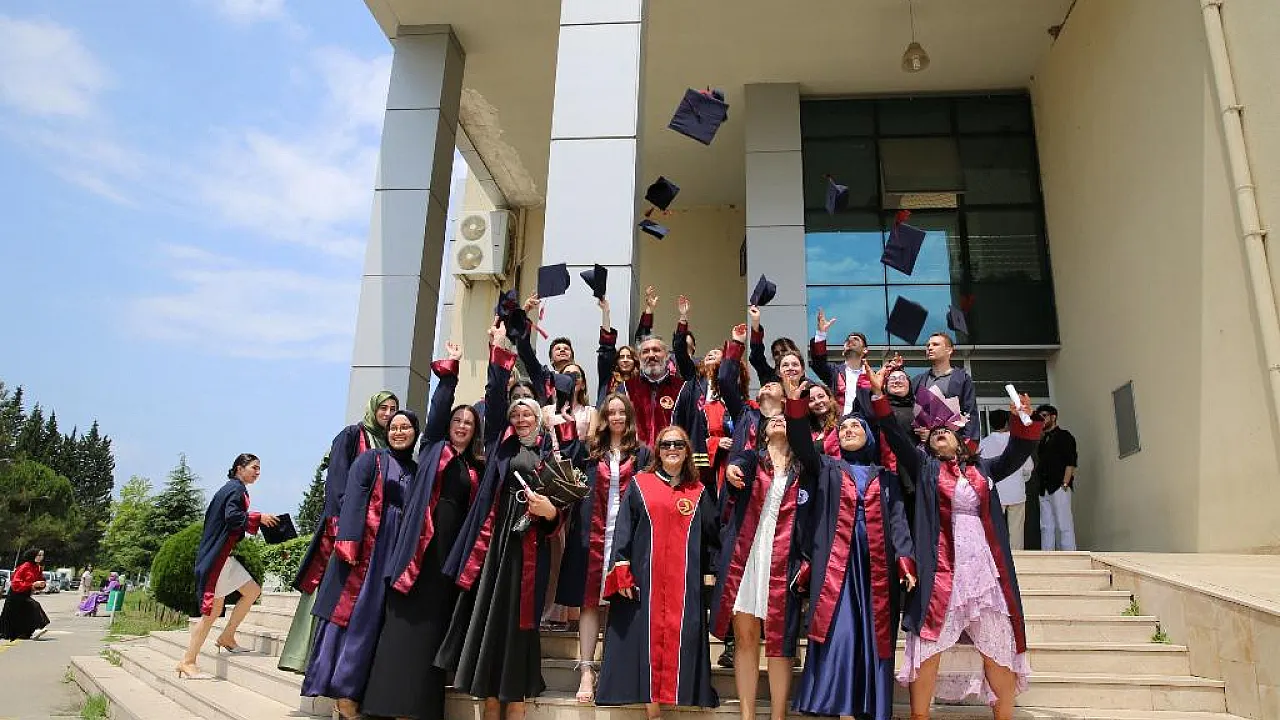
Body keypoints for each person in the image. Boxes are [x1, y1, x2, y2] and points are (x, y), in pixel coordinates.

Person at [872, 358, 1040, 719]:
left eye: (945, 430)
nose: (939, 434)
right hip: (942, 572)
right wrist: (878, 395)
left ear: (960, 439)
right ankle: (919, 715)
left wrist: (1021, 421)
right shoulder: (925, 468)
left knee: (997, 645)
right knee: (929, 646)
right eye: (933, 433)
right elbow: (896, 436)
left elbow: (1016, 453)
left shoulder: (983, 468)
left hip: (983, 573)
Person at [437, 322, 584, 720]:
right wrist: (500, 349)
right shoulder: (499, 445)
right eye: (515, 413)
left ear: (539, 418)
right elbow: (494, 391)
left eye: (527, 413)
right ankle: (489, 697)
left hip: (532, 548)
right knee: (491, 617)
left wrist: (549, 513)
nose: (521, 418)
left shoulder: (552, 454)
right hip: (498, 544)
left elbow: (561, 507)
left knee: (523, 622)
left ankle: (514, 697)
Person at [362, 344, 483, 720]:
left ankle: (420, 708)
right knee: (401, 630)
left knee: (431, 634)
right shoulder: (433, 448)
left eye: (469, 423)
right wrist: (451, 371)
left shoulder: (474, 467)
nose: (461, 426)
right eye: (457, 420)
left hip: (448, 557)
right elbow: (439, 407)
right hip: (418, 550)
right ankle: (387, 705)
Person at [787, 381, 916, 720]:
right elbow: (800, 444)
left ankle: (866, 707)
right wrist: (795, 404)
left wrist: (905, 560)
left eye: (855, 426)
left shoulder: (885, 478)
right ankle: (833, 704)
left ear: (869, 437)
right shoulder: (826, 468)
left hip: (877, 568)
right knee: (839, 632)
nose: (847, 431)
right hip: (836, 564)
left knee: (874, 635)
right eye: (843, 428)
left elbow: (898, 521)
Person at [302, 409, 420, 717]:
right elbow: (353, 499)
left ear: (415, 433)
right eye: (394, 427)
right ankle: (344, 693)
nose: (399, 432)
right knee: (357, 617)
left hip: (396, 551)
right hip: (367, 552)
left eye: (405, 427)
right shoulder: (372, 459)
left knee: (379, 622)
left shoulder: (416, 469)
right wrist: (348, 540)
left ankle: (363, 693)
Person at [596, 425, 720, 715]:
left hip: (684, 586)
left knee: (682, 638)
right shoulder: (641, 484)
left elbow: (713, 537)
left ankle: (680, 694)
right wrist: (621, 568)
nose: (672, 449)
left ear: (687, 451)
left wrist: (711, 572)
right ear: (658, 452)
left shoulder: (699, 492)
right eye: (666, 445)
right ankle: (653, 712)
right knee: (645, 639)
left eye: (678, 444)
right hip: (646, 581)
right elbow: (623, 530)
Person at [715, 377, 816, 720]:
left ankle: (777, 716)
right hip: (748, 556)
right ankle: (747, 716)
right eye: (773, 419)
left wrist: (794, 403)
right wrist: (731, 469)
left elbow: (807, 447)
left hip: (785, 559)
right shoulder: (751, 458)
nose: (778, 421)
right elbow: (737, 465)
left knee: (779, 643)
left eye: (785, 418)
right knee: (745, 637)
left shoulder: (806, 467)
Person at [280, 389, 399, 674]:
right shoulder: (352, 435)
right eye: (383, 408)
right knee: (328, 590)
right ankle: (306, 657)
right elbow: (336, 481)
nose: (387, 414)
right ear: (373, 409)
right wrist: (340, 525)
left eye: (392, 409)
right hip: (343, 528)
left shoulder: (391, 443)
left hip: (373, 533)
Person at [558, 392, 652, 703]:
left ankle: (612, 669)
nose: (616, 417)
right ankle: (586, 669)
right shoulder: (590, 451)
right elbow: (567, 469)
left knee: (619, 602)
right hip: (592, 533)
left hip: (627, 539)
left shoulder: (642, 454)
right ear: (603, 418)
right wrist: (565, 423)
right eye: (611, 412)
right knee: (589, 602)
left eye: (621, 412)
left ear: (629, 416)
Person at [180, 454, 279, 679]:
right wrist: (259, 518)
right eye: (254, 468)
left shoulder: (234, 489)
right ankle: (188, 661)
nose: (258, 473)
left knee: (252, 591)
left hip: (224, 558)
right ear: (239, 469)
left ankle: (227, 636)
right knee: (212, 613)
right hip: (217, 560)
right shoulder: (235, 490)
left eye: (259, 469)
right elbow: (233, 517)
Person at [598, 296, 688, 446]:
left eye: (656, 350)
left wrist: (683, 318)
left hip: (671, 455)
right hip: (634, 455)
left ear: (667, 355)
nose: (651, 355)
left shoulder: (682, 388)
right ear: (639, 358)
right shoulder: (626, 388)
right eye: (646, 351)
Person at [910, 333, 979, 451]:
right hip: (924, 448)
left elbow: (970, 414)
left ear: (949, 350)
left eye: (935, 344)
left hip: (954, 447)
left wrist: (967, 449)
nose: (930, 348)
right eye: (928, 345)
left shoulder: (962, 379)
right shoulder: (918, 380)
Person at [980, 410, 1032, 551]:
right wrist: (1023, 478)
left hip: (995, 492)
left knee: (995, 529)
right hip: (1017, 491)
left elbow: (980, 469)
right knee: (1016, 530)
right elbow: (1028, 467)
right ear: (1008, 423)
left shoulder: (984, 443)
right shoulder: (1017, 443)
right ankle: (1018, 557)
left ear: (991, 424)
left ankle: (998, 557)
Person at [809, 308, 873, 418]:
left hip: (865, 425)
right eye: (848, 340)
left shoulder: (873, 377)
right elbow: (819, 363)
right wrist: (821, 334)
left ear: (865, 350)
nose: (850, 340)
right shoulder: (834, 371)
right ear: (843, 351)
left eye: (856, 339)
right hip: (839, 423)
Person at [1034, 404, 1078, 551]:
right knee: (1046, 525)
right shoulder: (1042, 440)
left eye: (1044, 416)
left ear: (1053, 417)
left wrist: (1065, 483)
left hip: (1059, 485)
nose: (1041, 419)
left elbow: (1071, 461)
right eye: (1039, 417)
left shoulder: (1064, 436)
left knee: (1064, 523)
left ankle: (1070, 556)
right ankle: (1047, 556)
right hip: (1044, 487)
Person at [0, 549, 51, 640]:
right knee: (33, 606)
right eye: (39, 555)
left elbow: (39, 580)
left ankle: (26, 632)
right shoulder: (24, 566)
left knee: (23, 614)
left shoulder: (38, 568)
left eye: (42, 555)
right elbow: (15, 582)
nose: (41, 557)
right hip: (16, 594)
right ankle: (37, 629)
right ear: (33, 555)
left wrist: (41, 585)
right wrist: (31, 585)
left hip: (26, 593)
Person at [747, 304, 800, 386]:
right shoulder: (767, 375)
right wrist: (755, 321)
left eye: (784, 351)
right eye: (776, 353)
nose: (780, 355)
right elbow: (756, 355)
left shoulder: (803, 381)